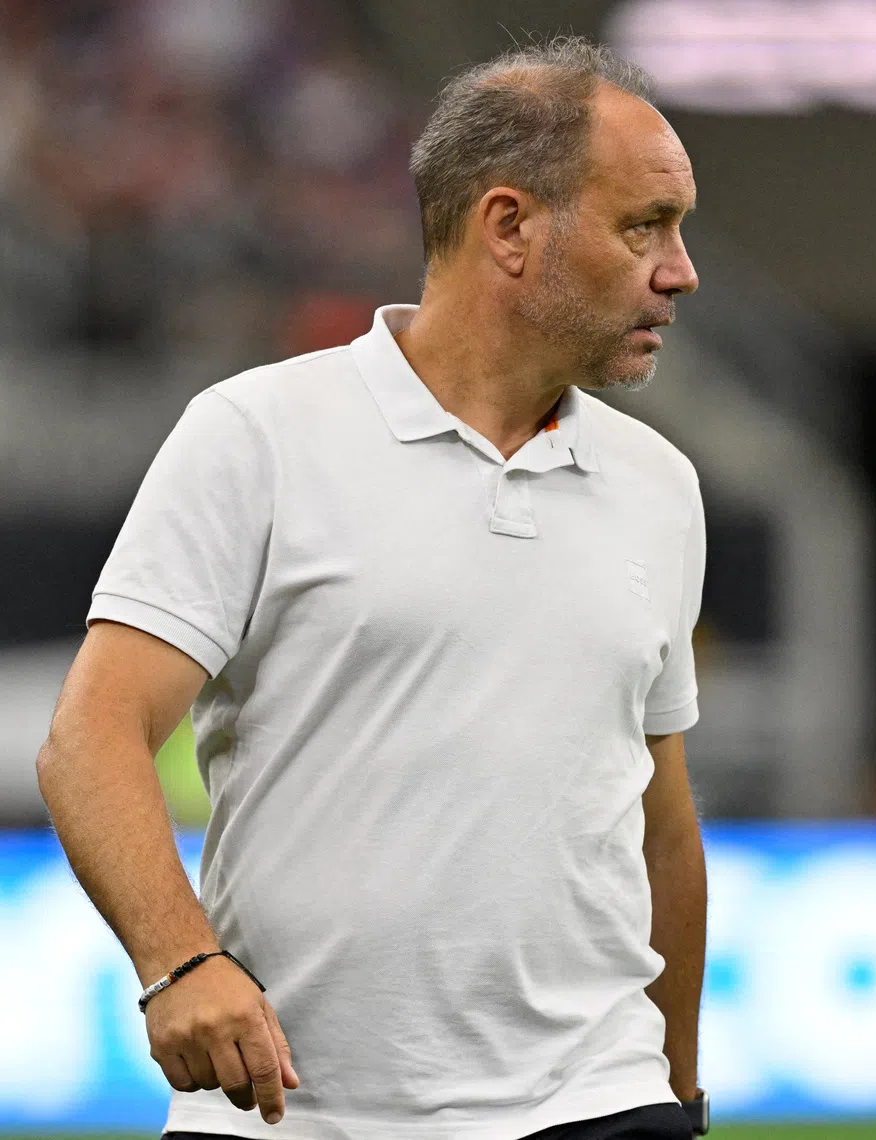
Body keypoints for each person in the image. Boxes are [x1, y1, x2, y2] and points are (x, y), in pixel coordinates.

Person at [37, 36, 709, 1140]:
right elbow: (91, 736)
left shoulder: (660, 486)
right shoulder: (256, 434)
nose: (679, 269)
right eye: (645, 225)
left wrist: (678, 1091)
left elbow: (660, 825)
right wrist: (179, 962)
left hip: (598, 1103)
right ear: (509, 227)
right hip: (293, 1114)